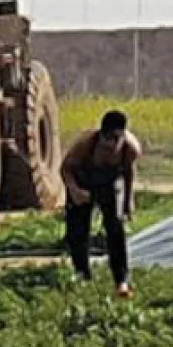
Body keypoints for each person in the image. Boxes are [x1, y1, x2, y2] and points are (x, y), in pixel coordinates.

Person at [61, 109, 142, 298]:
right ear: (101, 137)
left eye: (114, 144)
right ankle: (82, 275)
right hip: (82, 182)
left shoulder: (130, 149)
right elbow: (65, 169)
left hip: (109, 184)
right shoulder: (84, 145)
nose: (109, 149)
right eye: (105, 146)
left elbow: (129, 173)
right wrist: (75, 191)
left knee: (116, 228)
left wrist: (128, 201)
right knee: (78, 231)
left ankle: (121, 280)